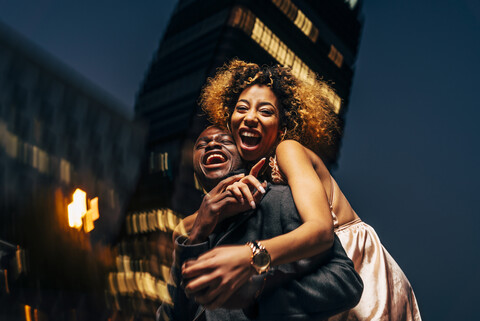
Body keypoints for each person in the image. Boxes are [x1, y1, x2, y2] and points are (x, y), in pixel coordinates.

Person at [183, 60, 421, 320]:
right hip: (319, 276)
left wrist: (248, 256)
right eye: (242, 108)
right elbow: (185, 226)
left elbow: (320, 232)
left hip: (358, 267)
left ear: (282, 129)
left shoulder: (288, 150)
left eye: (265, 111)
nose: (250, 117)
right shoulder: (258, 177)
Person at [157, 126, 363, 321]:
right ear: (195, 174)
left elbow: (345, 281)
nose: (212, 144)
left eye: (225, 141)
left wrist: (259, 291)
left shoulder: (279, 200)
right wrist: (197, 236)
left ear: (244, 158)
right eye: (202, 144)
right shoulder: (192, 239)